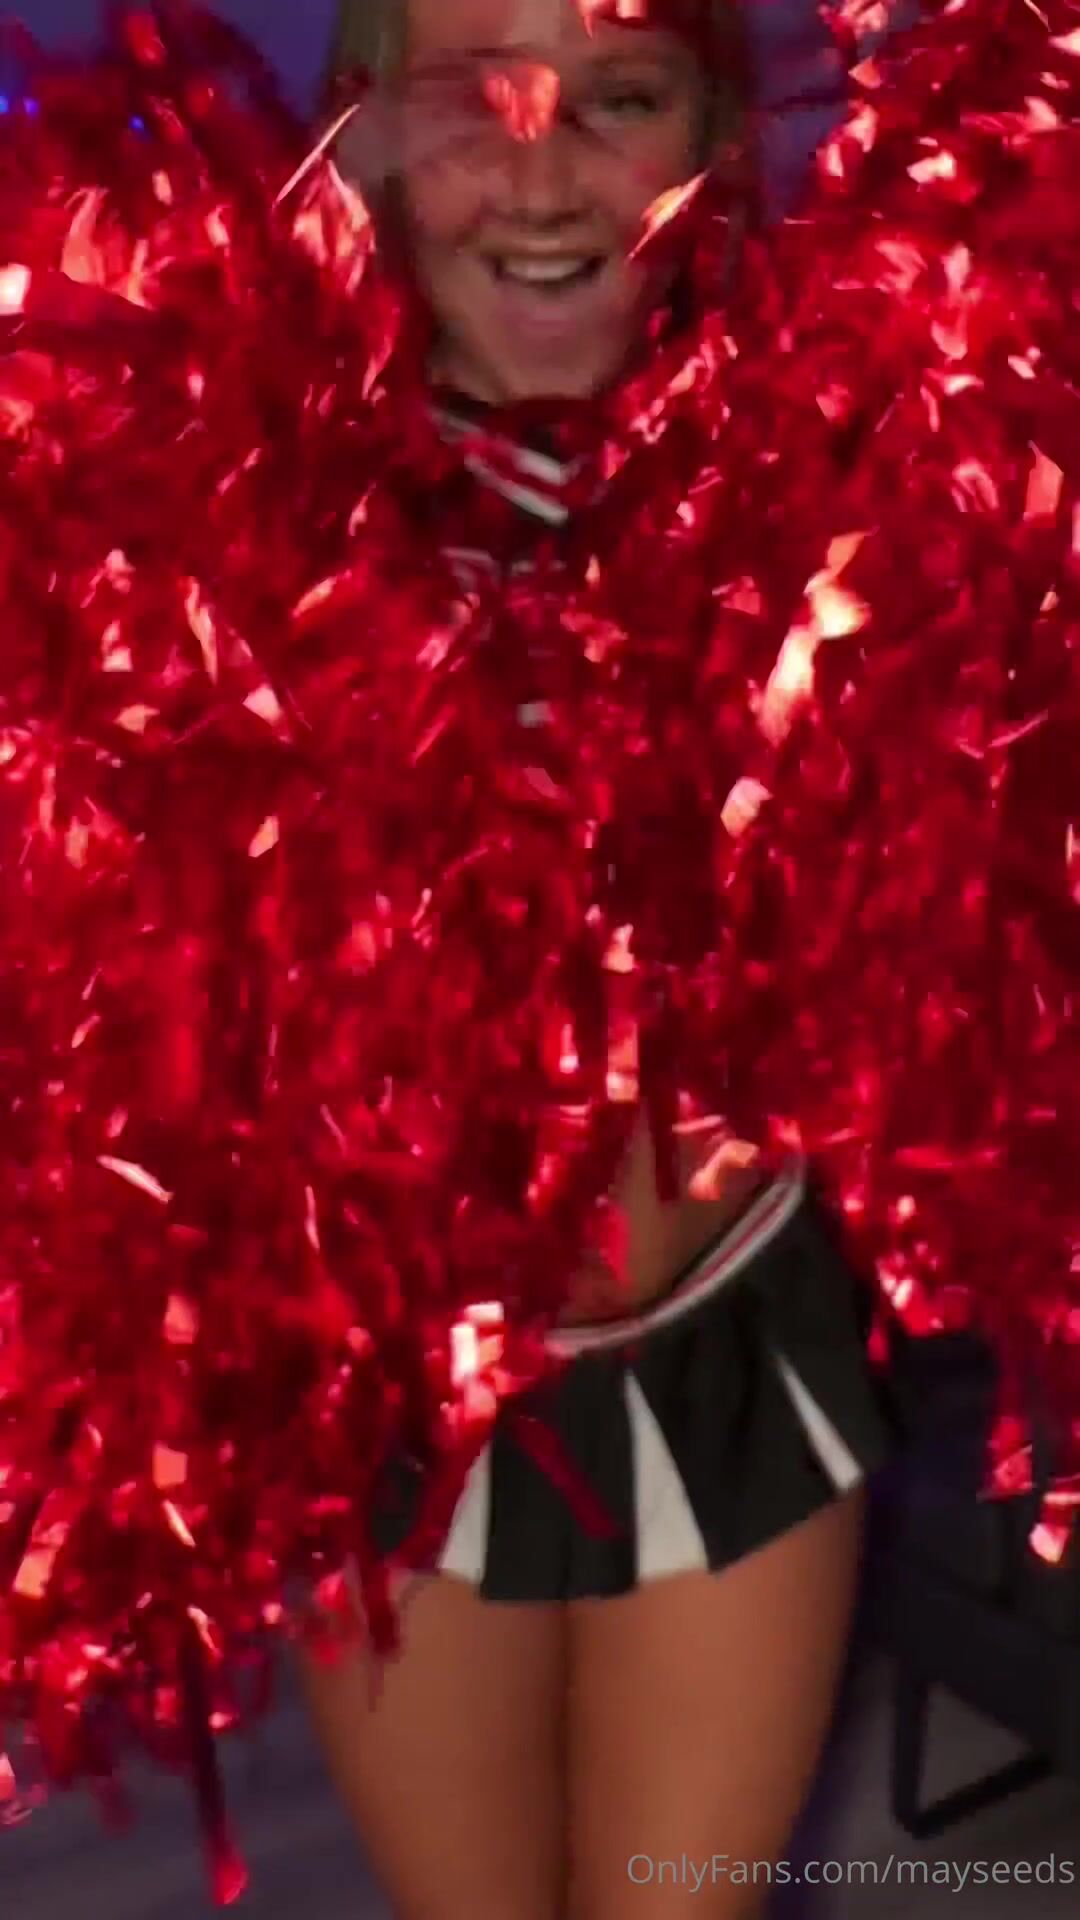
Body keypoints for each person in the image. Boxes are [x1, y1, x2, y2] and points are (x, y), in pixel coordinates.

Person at [299, 4, 899, 1917]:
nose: (546, 174)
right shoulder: (228, 515)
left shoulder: (858, 467)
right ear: (363, 140)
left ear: (710, 136)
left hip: (725, 1339)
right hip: (378, 1379)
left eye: (618, 99)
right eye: (474, 103)